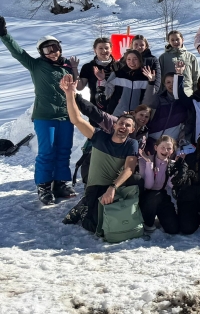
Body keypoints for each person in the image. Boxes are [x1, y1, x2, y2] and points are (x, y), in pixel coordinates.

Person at [0, 19, 79, 204]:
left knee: (64, 150)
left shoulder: (67, 66)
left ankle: (60, 183)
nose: (52, 52)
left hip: (66, 116)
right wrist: (4, 34)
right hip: (45, 117)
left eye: (55, 47)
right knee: (47, 151)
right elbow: (18, 52)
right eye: (47, 50)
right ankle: (43, 186)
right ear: (41, 53)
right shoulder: (36, 66)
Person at [59, 74, 141, 234]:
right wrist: (70, 94)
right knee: (95, 226)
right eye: (121, 123)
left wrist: (113, 188)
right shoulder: (99, 137)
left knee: (137, 183)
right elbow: (76, 120)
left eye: (128, 125)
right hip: (96, 187)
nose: (123, 126)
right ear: (115, 125)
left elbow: (129, 169)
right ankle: (82, 207)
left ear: (132, 130)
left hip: (115, 186)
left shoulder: (132, 144)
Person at [138, 136, 179, 235]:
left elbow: (171, 184)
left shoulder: (172, 164)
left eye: (169, 148)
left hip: (162, 196)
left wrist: (179, 168)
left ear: (172, 150)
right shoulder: (144, 161)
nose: (165, 150)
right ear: (156, 148)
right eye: (163, 147)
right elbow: (148, 185)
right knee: (154, 196)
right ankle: (147, 222)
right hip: (147, 196)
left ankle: (162, 216)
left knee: (173, 229)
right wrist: (149, 164)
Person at [145, 63, 191, 147]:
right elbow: (148, 103)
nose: (171, 84)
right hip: (153, 140)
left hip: (172, 143)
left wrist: (180, 75)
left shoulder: (183, 102)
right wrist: (151, 83)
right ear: (165, 85)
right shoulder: (160, 99)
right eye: (168, 82)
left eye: (174, 82)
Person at [103, 50, 158, 117]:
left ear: (140, 60)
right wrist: (102, 80)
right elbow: (106, 93)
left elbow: (149, 101)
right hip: (116, 114)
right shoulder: (118, 74)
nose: (132, 62)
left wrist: (151, 82)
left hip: (135, 116)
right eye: (129, 59)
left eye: (135, 59)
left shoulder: (145, 77)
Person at [159, 30, 200, 97]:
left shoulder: (191, 57)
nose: (175, 42)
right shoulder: (163, 57)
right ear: (169, 42)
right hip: (169, 95)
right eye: (172, 40)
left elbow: (196, 77)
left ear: (182, 39)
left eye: (177, 39)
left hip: (187, 93)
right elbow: (160, 78)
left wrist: (197, 94)